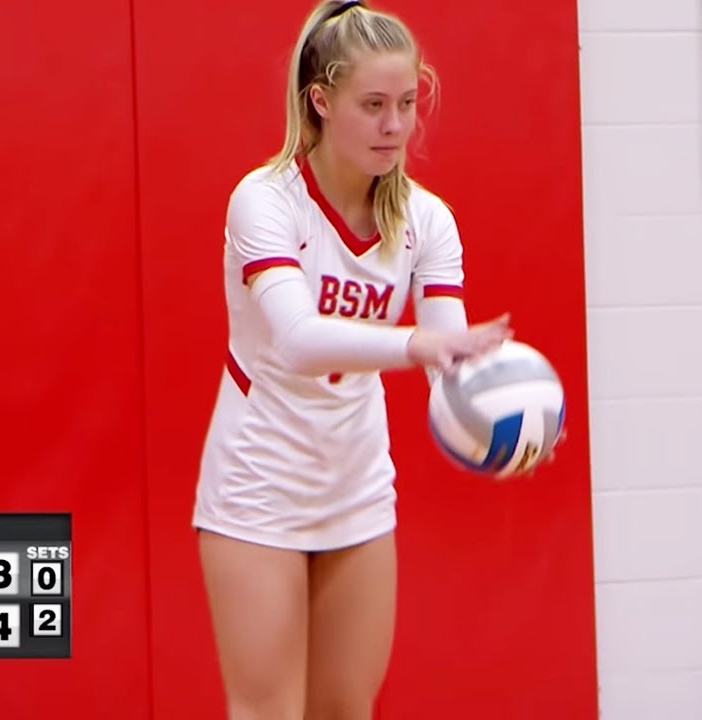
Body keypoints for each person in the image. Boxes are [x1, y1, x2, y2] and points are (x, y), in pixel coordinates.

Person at [191, 1, 514, 718]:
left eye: (405, 104)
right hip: (258, 485)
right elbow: (299, 342)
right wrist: (419, 345)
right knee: (267, 710)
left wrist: (503, 412)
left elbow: (448, 356)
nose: (395, 125)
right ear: (321, 101)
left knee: (347, 710)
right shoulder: (265, 201)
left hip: (357, 484)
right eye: (372, 105)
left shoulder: (427, 218)